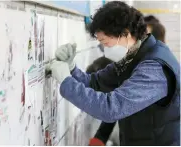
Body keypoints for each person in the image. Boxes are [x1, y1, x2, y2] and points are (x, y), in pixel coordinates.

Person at [46, 1, 180, 145]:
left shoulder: (154, 69)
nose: (104, 49)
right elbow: (95, 83)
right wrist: (71, 69)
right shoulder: (132, 58)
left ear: (125, 34)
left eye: (105, 43)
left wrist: (66, 81)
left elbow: (110, 108)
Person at [89, 15, 168, 146]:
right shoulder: (139, 64)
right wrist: (100, 138)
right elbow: (120, 101)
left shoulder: (155, 72)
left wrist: (100, 138)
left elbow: (118, 105)